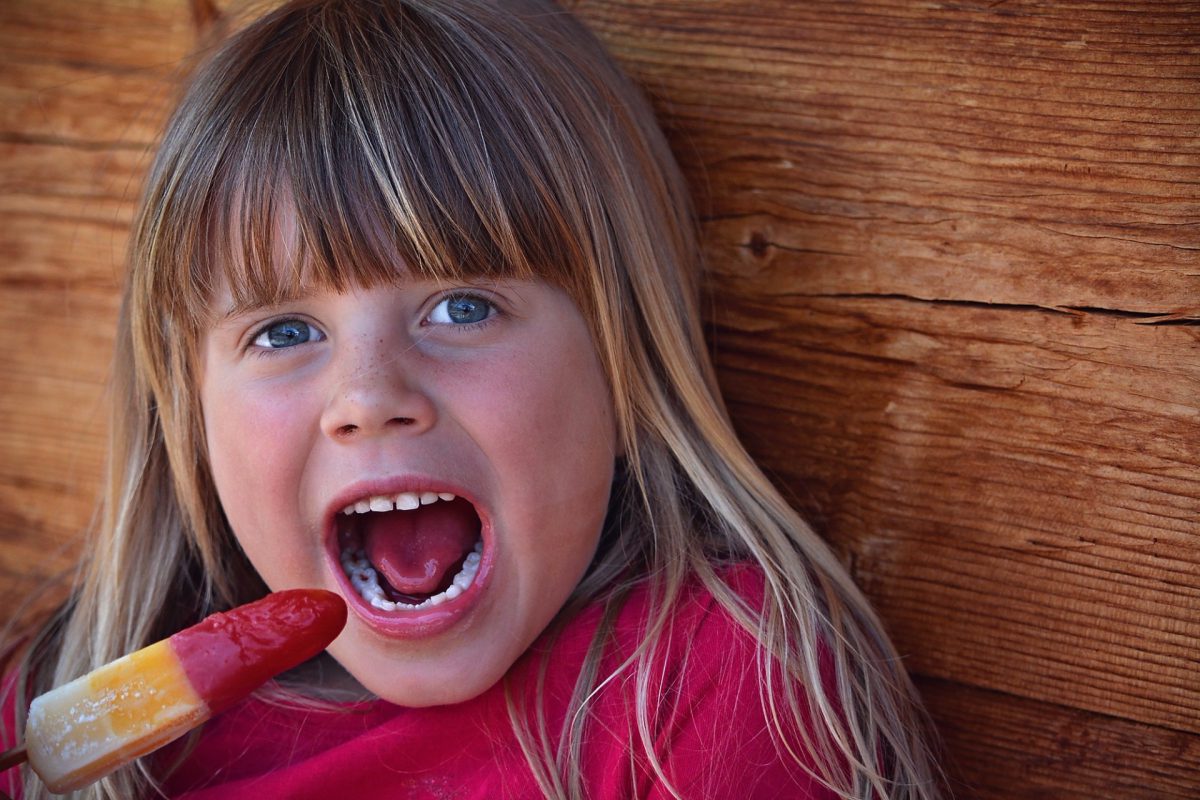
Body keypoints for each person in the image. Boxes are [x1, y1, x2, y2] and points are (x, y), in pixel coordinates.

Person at [1, 0, 943, 797]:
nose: (369, 397)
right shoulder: (67, 711)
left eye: (462, 306)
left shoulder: (714, 688)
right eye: (283, 331)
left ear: (627, 362)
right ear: (187, 412)